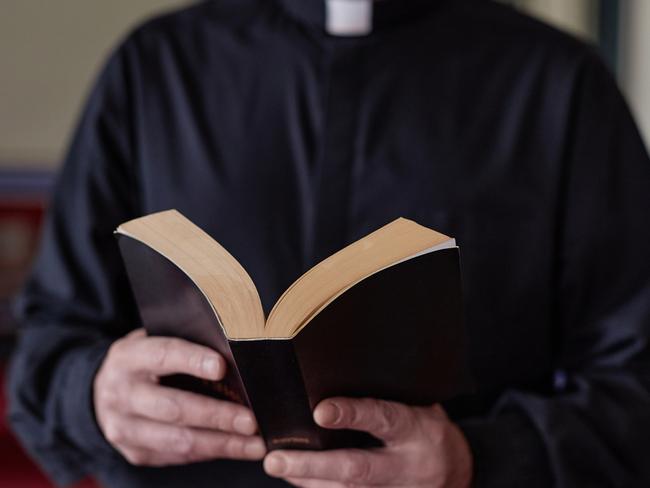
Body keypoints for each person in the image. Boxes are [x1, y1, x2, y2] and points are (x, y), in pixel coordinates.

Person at [8, 0, 650, 486]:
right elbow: (45, 350)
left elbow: (637, 389)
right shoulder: (154, 67)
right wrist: (94, 395)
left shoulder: (559, 84)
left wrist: (475, 459)